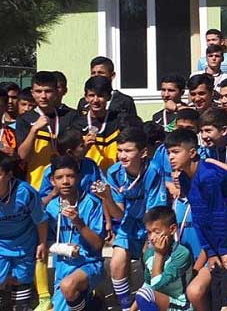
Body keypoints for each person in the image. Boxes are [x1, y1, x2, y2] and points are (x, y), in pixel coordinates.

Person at [166, 128, 227, 311]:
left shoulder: (208, 176)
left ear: (192, 152)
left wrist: (223, 251)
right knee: (216, 292)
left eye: (176, 152)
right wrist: (211, 252)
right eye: (168, 153)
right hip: (219, 237)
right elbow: (199, 216)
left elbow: (219, 214)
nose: (171, 157)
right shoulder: (185, 178)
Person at [94, 126, 167, 311]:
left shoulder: (153, 170)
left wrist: (149, 238)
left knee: (150, 263)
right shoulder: (114, 172)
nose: (122, 156)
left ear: (143, 153)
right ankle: (126, 307)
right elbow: (118, 214)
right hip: (129, 223)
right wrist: (107, 197)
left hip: (153, 223)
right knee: (116, 263)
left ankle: (150, 304)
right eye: (119, 150)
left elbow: (155, 210)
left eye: (128, 151)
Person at [45, 156, 106, 311]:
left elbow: (98, 244)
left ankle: (90, 300)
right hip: (63, 267)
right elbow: (47, 243)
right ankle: (92, 303)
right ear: (52, 181)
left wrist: (78, 222)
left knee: (68, 286)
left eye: (70, 176)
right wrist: (64, 249)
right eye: (59, 177)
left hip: (89, 263)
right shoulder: (51, 207)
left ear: (78, 177)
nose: (65, 181)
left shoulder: (92, 203)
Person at [16, 71, 81, 190]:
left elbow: (78, 152)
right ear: (32, 93)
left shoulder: (69, 116)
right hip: (37, 184)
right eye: (38, 91)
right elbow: (22, 156)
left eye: (48, 91)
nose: (43, 96)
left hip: (66, 184)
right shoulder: (24, 119)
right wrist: (34, 130)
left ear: (56, 92)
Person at [0, 155, 47, 311]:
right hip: (1, 242)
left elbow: (40, 220)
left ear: (9, 175)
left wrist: (42, 243)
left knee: (21, 280)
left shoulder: (25, 192)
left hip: (24, 241)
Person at [132, 206, 193, 311]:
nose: (152, 238)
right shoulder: (149, 254)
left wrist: (159, 255)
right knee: (143, 295)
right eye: (149, 232)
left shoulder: (181, 253)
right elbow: (148, 284)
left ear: (172, 229)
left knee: (145, 294)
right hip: (159, 301)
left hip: (180, 304)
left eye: (156, 232)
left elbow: (156, 286)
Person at [40, 128, 102, 206]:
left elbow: (99, 195)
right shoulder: (50, 172)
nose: (86, 147)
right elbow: (41, 204)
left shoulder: (90, 165)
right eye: (82, 146)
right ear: (69, 152)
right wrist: (53, 193)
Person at [77, 75, 122, 171]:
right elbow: (72, 159)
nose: (96, 100)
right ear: (86, 97)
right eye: (91, 95)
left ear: (109, 97)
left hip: (113, 176)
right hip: (88, 176)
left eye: (100, 96)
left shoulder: (119, 121)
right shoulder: (77, 124)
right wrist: (84, 147)